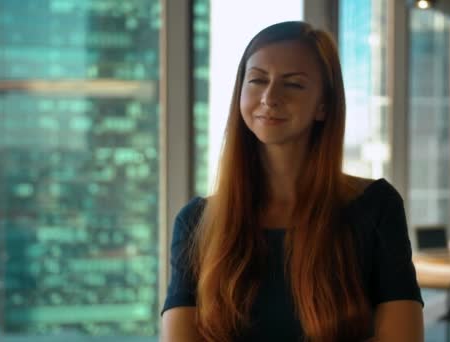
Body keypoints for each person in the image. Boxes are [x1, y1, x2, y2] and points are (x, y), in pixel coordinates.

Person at [161, 21, 424, 342]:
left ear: (323, 105)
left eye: (294, 84)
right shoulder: (196, 222)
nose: (270, 97)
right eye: (257, 80)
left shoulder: (376, 207)